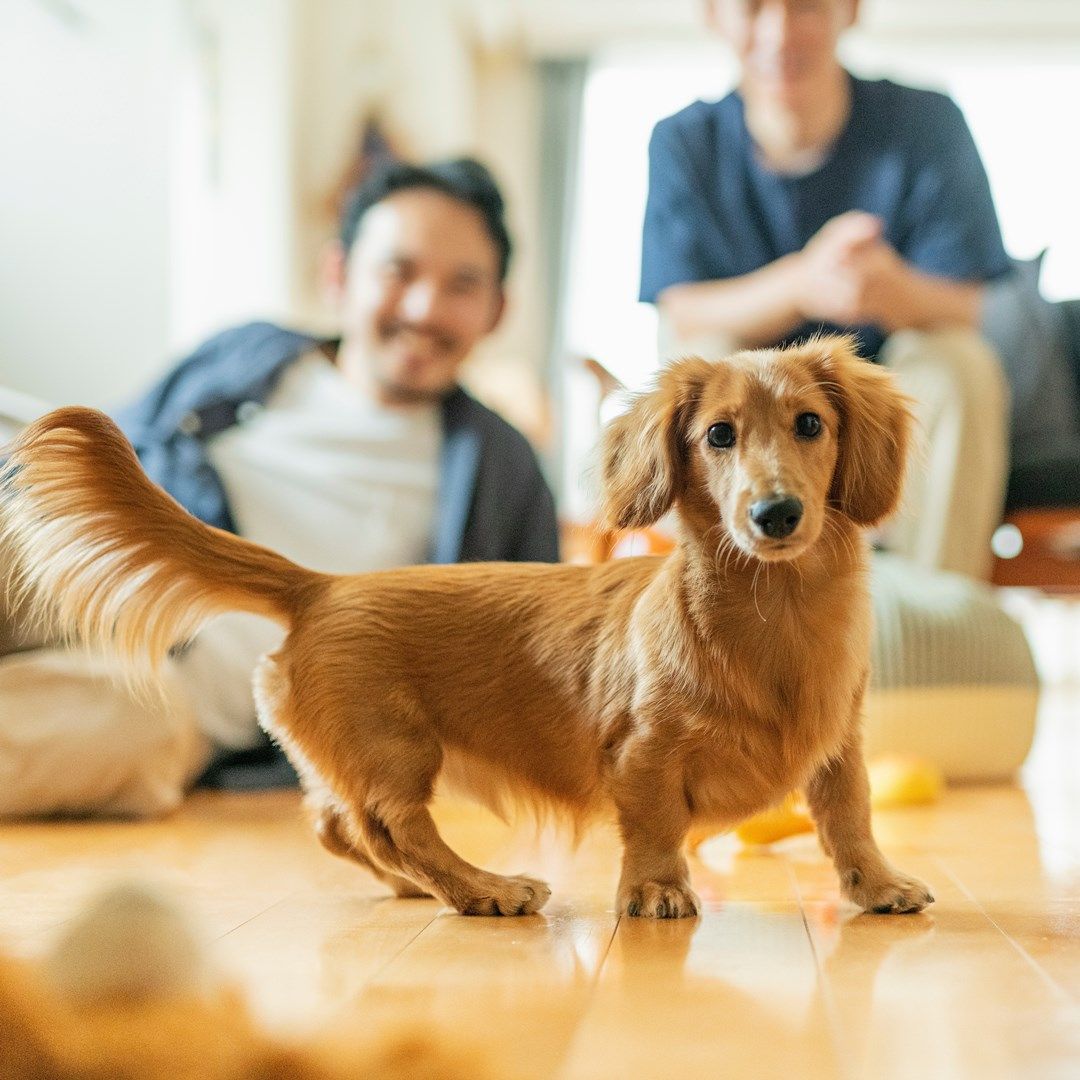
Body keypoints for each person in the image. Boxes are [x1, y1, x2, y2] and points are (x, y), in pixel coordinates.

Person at [0, 157, 559, 817]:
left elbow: (531, 667)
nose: (423, 307)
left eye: (462, 285)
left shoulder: (504, 469)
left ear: (497, 310)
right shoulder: (244, 354)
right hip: (87, 559)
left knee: (105, 732)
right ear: (338, 275)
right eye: (398, 271)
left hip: (179, 692)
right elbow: (106, 451)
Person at [640, 0, 1012, 580]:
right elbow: (683, 308)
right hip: (746, 387)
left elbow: (968, 305)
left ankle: (935, 617)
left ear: (852, 9)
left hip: (885, 381)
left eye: (806, 5)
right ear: (713, 13)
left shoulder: (927, 121)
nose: (780, 31)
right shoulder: (683, 141)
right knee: (703, 351)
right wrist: (803, 283)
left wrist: (889, 287)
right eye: (753, 7)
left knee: (962, 366)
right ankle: (726, 611)